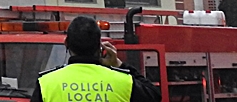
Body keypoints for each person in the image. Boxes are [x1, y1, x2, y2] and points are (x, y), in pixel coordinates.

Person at [31, 16, 161, 102]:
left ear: (66, 43)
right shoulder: (124, 82)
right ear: (100, 45)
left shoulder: (47, 83)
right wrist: (119, 64)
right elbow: (154, 95)